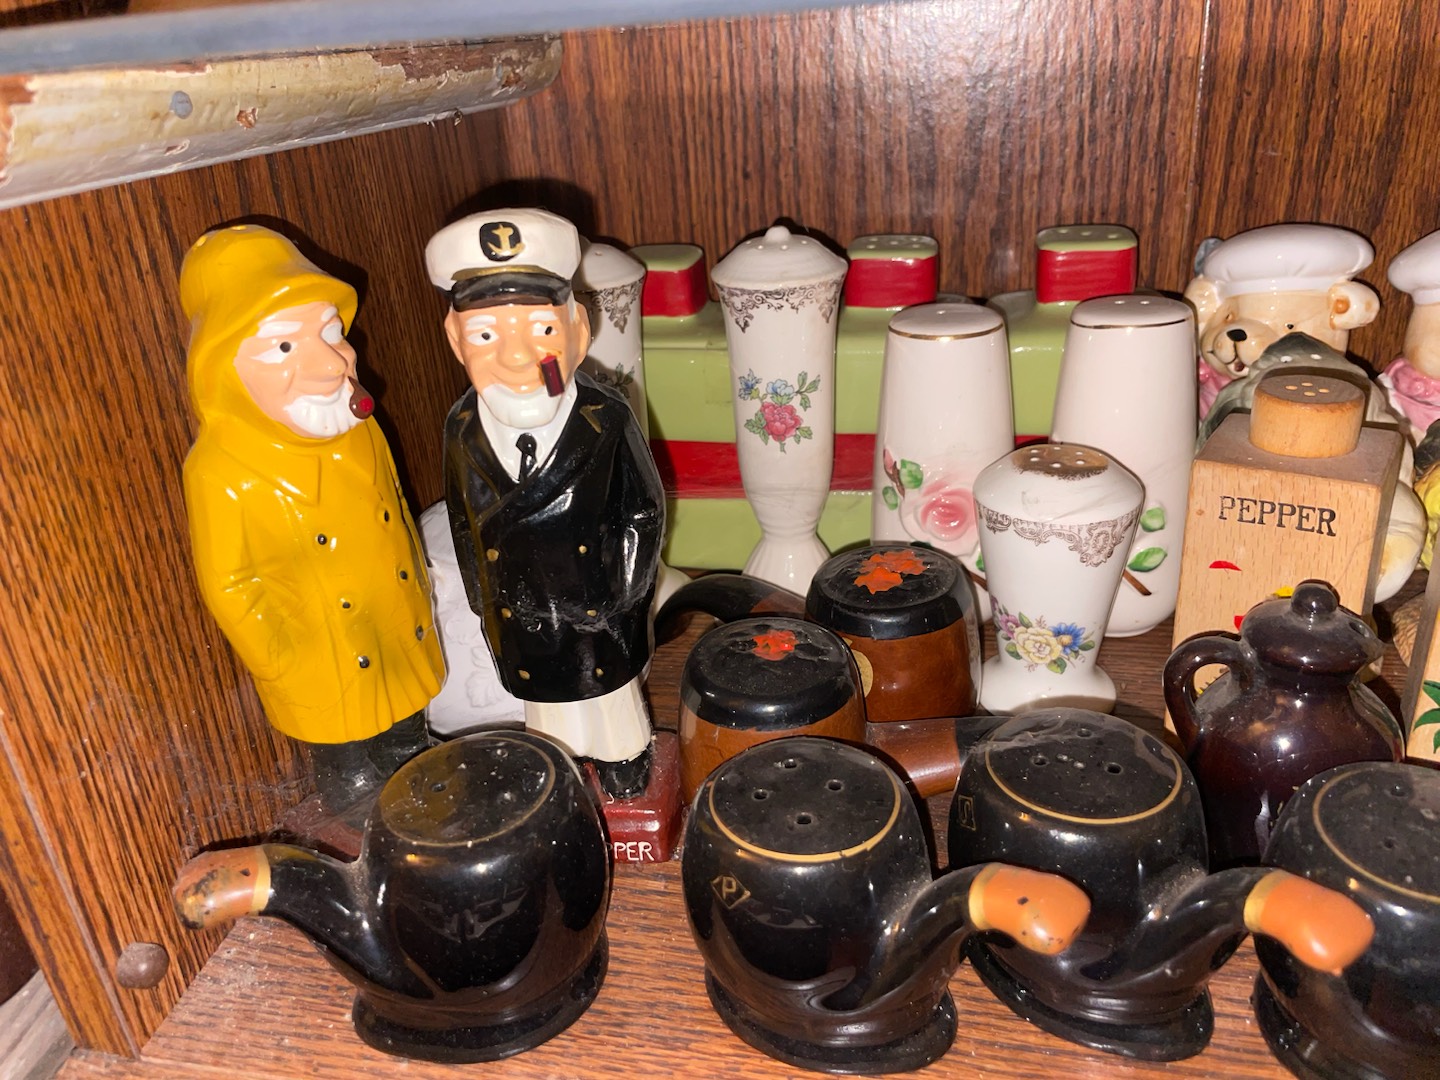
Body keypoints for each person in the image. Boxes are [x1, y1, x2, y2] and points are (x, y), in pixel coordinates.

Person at [180, 224, 443, 814]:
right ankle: (360, 809)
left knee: (411, 741)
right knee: (355, 779)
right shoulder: (221, 471)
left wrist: (419, 585)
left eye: (330, 332)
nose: (329, 363)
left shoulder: (359, 427)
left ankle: (417, 779)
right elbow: (229, 584)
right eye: (283, 347)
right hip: (323, 652)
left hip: (394, 623)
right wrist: (283, 658)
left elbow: (397, 508)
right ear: (222, 368)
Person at [428, 209, 665, 797]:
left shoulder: (605, 419)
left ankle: (622, 756)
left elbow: (642, 509)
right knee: (546, 703)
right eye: (486, 336)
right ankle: (561, 768)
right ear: (455, 340)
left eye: (541, 330)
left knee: (608, 695)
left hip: (595, 600)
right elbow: (463, 523)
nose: (516, 358)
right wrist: (485, 601)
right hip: (522, 607)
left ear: (579, 330)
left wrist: (623, 593)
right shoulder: (462, 428)